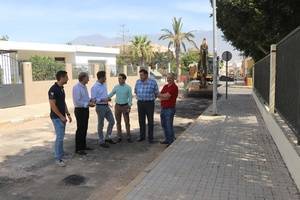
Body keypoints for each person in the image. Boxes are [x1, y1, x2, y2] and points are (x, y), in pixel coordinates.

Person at [48, 70, 72, 167]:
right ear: (61, 77)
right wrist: (61, 116)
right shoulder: (53, 89)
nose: (68, 79)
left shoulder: (61, 88)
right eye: (66, 77)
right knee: (60, 137)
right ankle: (58, 158)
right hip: (56, 117)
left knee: (61, 136)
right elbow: (52, 105)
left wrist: (68, 113)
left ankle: (61, 153)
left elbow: (63, 102)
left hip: (62, 116)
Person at [72, 72, 95, 156]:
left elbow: (85, 98)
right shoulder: (76, 88)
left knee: (84, 128)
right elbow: (77, 101)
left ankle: (83, 146)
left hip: (85, 110)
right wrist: (88, 104)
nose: (88, 79)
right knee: (80, 129)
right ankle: (78, 148)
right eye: (87, 78)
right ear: (83, 78)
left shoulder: (84, 87)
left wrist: (90, 100)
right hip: (79, 110)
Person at [91, 71, 116, 148]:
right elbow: (93, 100)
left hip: (106, 106)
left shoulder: (104, 84)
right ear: (101, 78)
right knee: (101, 124)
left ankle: (107, 137)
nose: (106, 78)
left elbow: (105, 95)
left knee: (112, 121)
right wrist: (103, 100)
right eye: (105, 77)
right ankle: (101, 141)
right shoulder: (94, 87)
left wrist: (108, 101)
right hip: (100, 107)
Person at [134, 69, 159, 143]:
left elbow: (156, 93)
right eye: (140, 75)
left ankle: (150, 138)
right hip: (140, 103)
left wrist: (151, 99)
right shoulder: (138, 82)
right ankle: (142, 136)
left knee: (150, 121)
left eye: (142, 75)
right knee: (141, 120)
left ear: (146, 75)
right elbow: (135, 91)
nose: (140, 76)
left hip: (149, 103)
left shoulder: (153, 82)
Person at [108, 73, 133, 143]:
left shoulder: (128, 87)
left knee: (127, 122)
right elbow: (111, 94)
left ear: (124, 79)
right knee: (118, 122)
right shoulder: (116, 87)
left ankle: (128, 136)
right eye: (118, 78)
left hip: (125, 106)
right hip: (117, 106)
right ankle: (119, 136)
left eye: (120, 78)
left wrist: (129, 106)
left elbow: (130, 98)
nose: (119, 80)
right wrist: (106, 98)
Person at [158, 73, 178, 146]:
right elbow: (159, 96)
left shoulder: (174, 87)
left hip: (170, 109)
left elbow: (167, 96)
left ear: (173, 78)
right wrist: (162, 96)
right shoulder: (166, 86)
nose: (168, 79)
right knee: (164, 125)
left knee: (169, 125)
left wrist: (162, 96)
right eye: (168, 78)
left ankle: (171, 141)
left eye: (170, 78)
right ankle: (167, 139)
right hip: (163, 108)